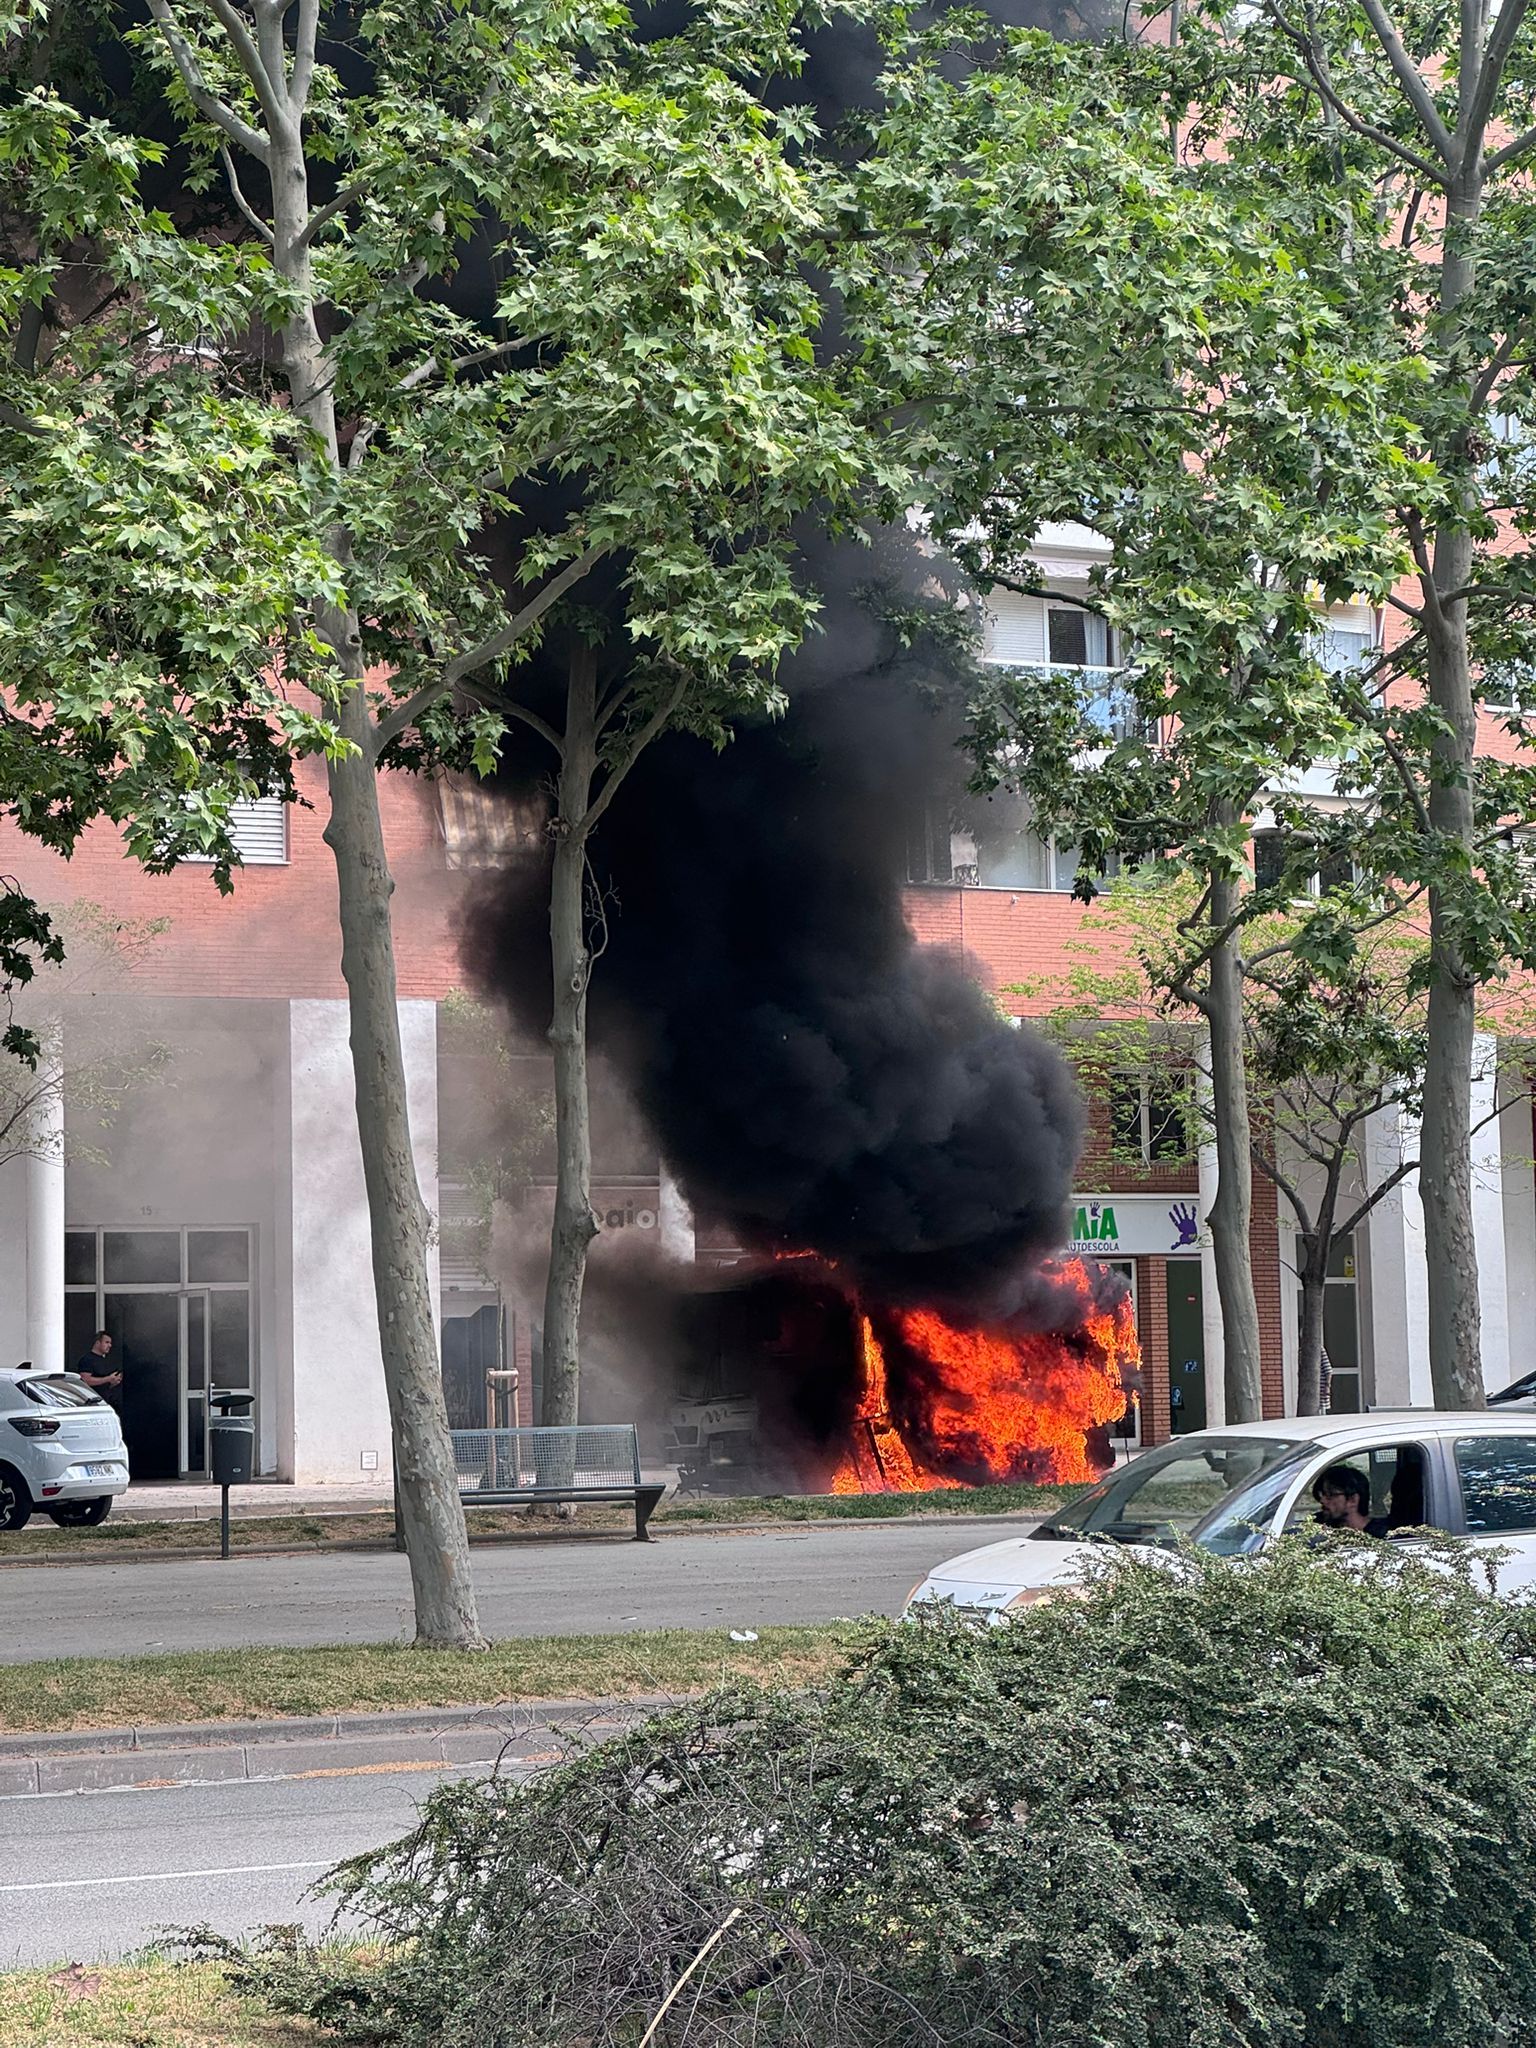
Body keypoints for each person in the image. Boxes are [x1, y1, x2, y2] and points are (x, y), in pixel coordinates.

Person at [1311, 1464, 1389, 1537]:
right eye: (1322, 1494)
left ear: (1353, 1500)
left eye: (1330, 1495)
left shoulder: (1382, 1535)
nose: (1322, 1500)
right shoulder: (1318, 1527)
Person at [75, 1330, 122, 1404]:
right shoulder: (87, 1359)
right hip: (92, 1403)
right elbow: (85, 1380)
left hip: (106, 1401)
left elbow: (104, 1384)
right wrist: (108, 1378)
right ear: (97, 1343)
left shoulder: (105, 1360)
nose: (110, 1345)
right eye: (106, 1342)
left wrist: (113, 1382)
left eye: (110, 1343)